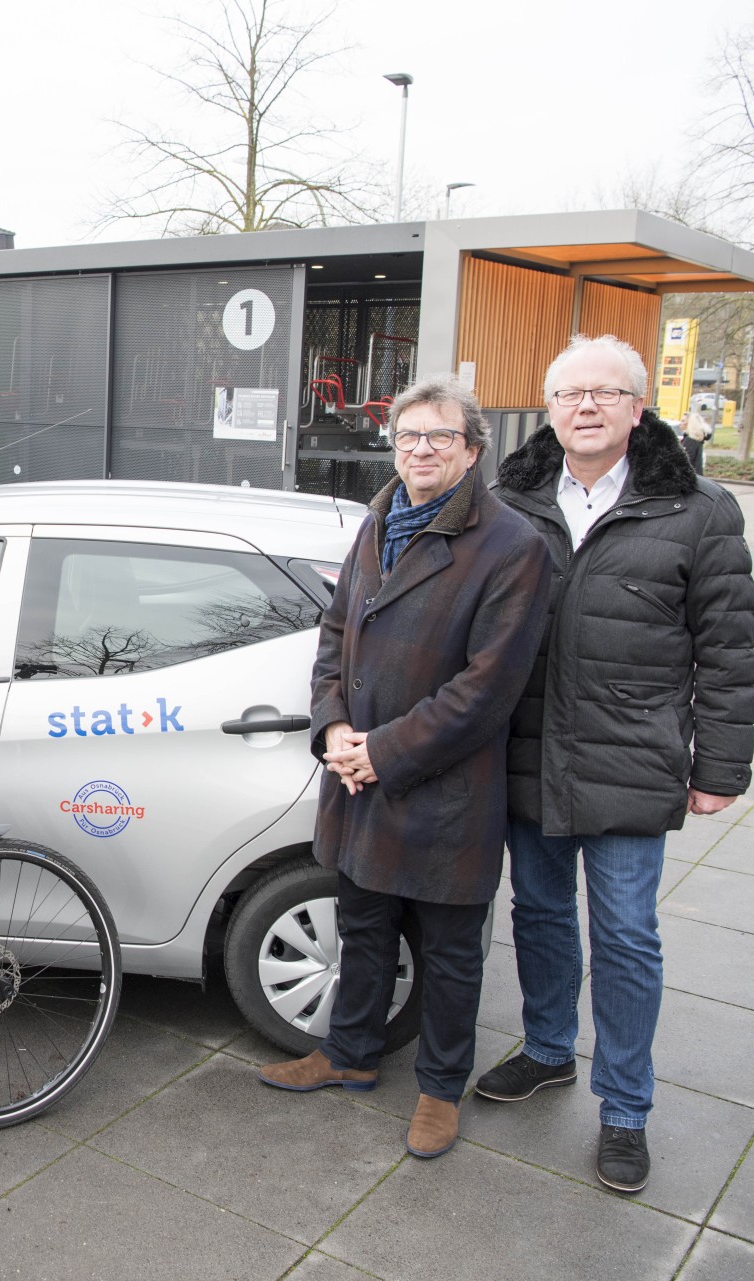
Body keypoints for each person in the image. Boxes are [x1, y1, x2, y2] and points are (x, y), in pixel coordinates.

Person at [477, 334, 754, 1195]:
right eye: (569, 393)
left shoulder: (699, 509)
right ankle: (551, 1048)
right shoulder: (509, 501)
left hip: (631, 760)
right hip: (529, 752)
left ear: (640, 407)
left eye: (606, 392)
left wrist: (721, 766)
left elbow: (728, 648)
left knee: (629, 936)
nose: (586, 406)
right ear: (550, 408)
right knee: (539, 914)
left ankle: (626, 1108)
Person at [257, 378, 552, 1161]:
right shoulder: (377, 520)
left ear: (472, 450)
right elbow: (334, 632)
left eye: (439, 437)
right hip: (358, 776)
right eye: (408, 436)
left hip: (444, 789)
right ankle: (349, 1053)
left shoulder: (511, 545)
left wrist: (380, 750)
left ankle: (439, 1090)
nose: (421, 449)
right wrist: (335, 728)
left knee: (452, 953)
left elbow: (486, 690)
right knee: (362, 927)